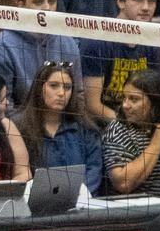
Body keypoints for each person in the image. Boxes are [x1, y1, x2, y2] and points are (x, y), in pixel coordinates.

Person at [14, 56, 102, 191]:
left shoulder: (86, 128)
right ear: (39, 87)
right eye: (54, 86)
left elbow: (93, 172)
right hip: (33, 200)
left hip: (80, 200)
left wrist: (78, 194)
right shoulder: (18, 128)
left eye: (67, 87)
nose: (61, 93)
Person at [98, 70, 160, 192]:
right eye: (124, 98)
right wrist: (155, 144)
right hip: (135, 203)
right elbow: (123, 184)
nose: (125, 105)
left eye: (134, 99)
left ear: (155, 101)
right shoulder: (117, 129)